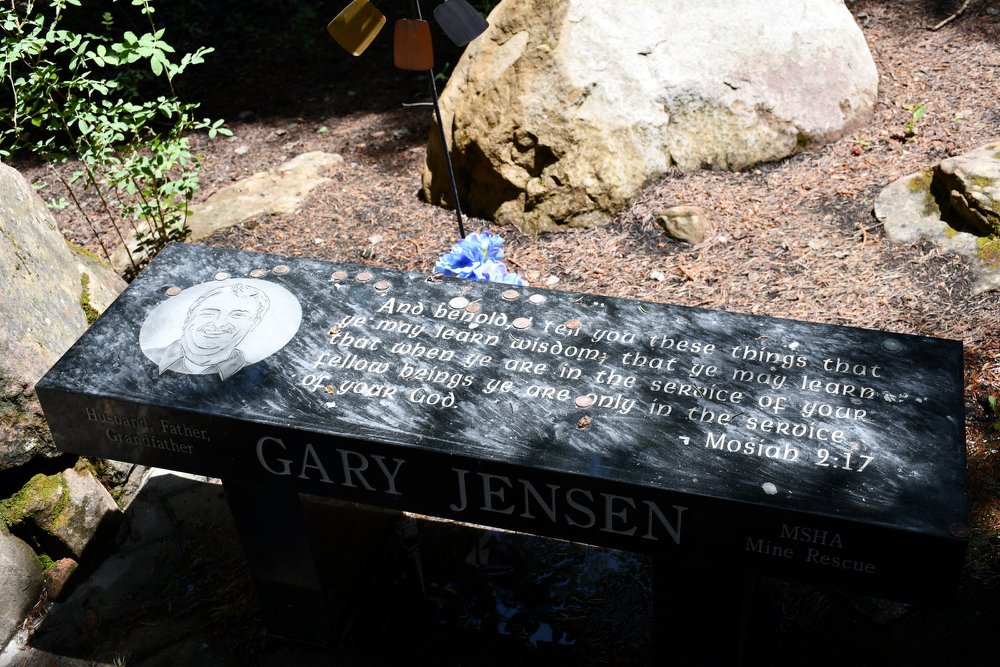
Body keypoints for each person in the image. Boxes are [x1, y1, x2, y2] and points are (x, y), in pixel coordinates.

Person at [150, 282, 271, 380]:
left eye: (237, 316)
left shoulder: (259, 376)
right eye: (209, 313)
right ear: (189, 316)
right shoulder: (151, 357)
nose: (219, 324)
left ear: (253, 324)